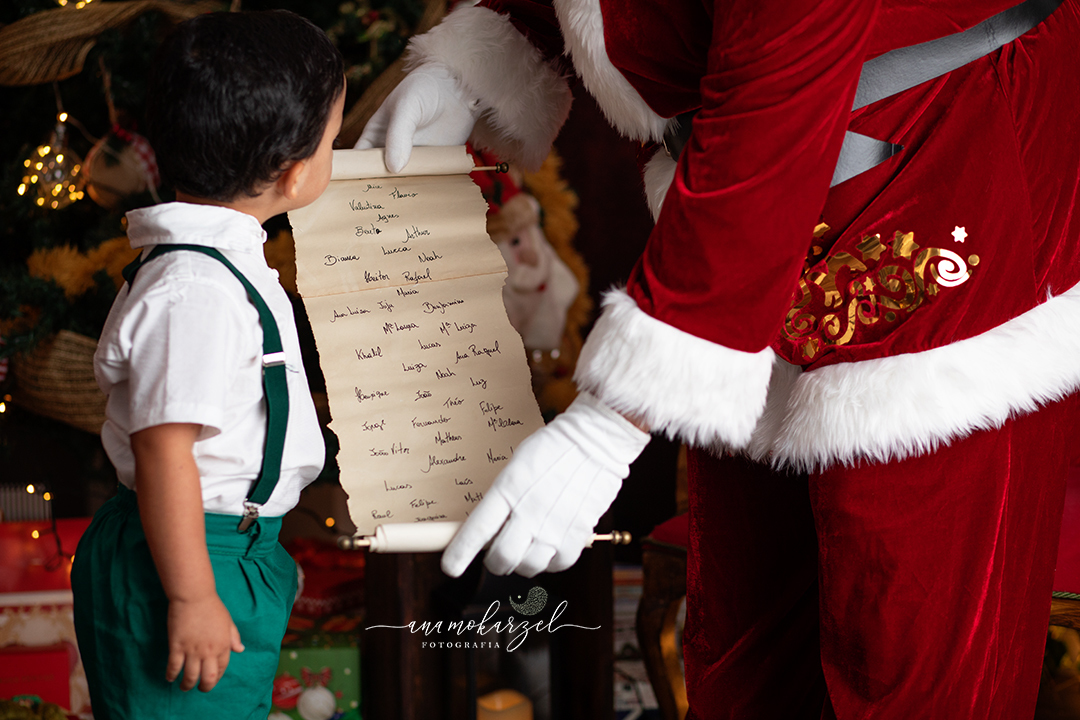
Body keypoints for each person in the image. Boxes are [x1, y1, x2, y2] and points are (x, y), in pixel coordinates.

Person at [358, 0, 1080, 717]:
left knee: (906, 648)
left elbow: (771, 117)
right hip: (731, 219)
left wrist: (609, 425)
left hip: (946, 186)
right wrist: (484, 62)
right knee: (745, 650)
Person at [71, 12, 343, 719]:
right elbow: (163, 449)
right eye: (335, 140)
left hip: (230, 547)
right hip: (189, 555)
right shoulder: (196, 292)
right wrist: (193, 596)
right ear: (294, 171)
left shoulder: (223, 265)